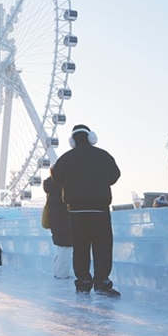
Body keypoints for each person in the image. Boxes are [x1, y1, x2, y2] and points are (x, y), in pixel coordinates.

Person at [52, 124, 121, 297]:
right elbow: (115, 176)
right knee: (102, 247)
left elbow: (57, 178)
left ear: (72, 141)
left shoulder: (65, 158)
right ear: (91, 137)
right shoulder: (103, 155)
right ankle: (102, 283)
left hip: (76, 211)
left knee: (80, 248)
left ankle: (83, 283)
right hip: (100, 209)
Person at [43, 168, 72, 279]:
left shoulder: (52, 189)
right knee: (65, 249)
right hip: (65, 224)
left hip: (57, 224)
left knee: (62, 249)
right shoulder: (61, 189)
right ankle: (61, 274)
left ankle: (58, 272)